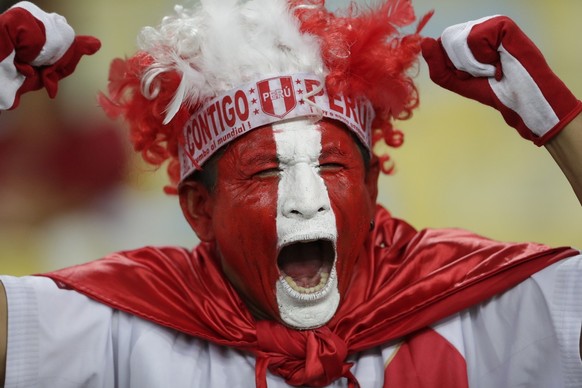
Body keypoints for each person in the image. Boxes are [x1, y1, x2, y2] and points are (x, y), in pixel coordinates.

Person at [0, 0, 581, 387]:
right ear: (199, 209)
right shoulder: (134, 319)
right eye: (263, 173)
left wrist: (560, 122)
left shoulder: (467, 300)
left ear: (374, 185)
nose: (306, 200)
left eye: (331, 164)